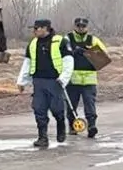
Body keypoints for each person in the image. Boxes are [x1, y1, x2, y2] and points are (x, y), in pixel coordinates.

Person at [16, 19, 74, 148]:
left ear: (45, 28)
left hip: (55, 82)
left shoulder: (61, 42)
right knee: (39, 109)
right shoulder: (32, 44)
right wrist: (21, 81)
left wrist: (63, 79)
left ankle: (61, 126)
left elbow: (68, 62)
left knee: (56, 109)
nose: (34, 31)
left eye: (36, 28)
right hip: (38, 81)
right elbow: (27, 63)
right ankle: (42, 137)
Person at [66, 16, 108, 138]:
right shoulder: (67, 39)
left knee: (90, 104)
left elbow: (104, 56)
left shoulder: (93, 40)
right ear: (75, 26)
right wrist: (72, 52)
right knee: (71, 105)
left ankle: (91, 126)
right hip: (72, 80)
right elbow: (61, 54)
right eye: (78, 26)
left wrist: (89, 52)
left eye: (83, 26)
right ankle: (72, 127)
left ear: (87, 27)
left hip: (89, 80)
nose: (81, 28)